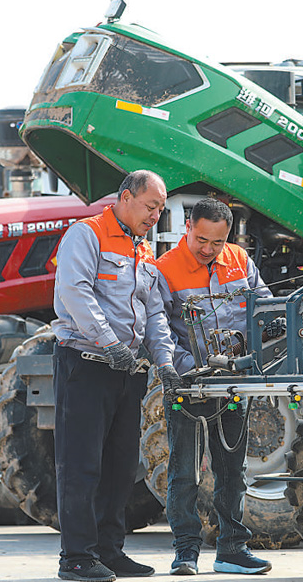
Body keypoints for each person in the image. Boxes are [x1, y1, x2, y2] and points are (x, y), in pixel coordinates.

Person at [52, 170, 180, 582]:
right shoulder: (86, 235)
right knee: (82, 465)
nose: (156, 215)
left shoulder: (142, 250)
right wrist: (109, 344)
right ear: (126, 197)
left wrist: (165, 361)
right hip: (86, 365)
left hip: (128, 371)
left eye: (160, 208)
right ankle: (76, 558)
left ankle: (109, 551)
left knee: (121, 466)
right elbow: (76, 292)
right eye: (151, 206)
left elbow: (155, 311)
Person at [157, 198, 282, 576]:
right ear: (188, 228)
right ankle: (186, 552)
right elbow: (157, 329)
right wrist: (182, 368)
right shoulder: (165, 270)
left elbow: (263, 302)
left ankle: (232, 549)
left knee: (233, 470)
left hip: (233, 384)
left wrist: (270, 324)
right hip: (188, 386)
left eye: (217, 242)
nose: (209, 250)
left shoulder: (239, 261)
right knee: (185, 472)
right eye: (202, 241)